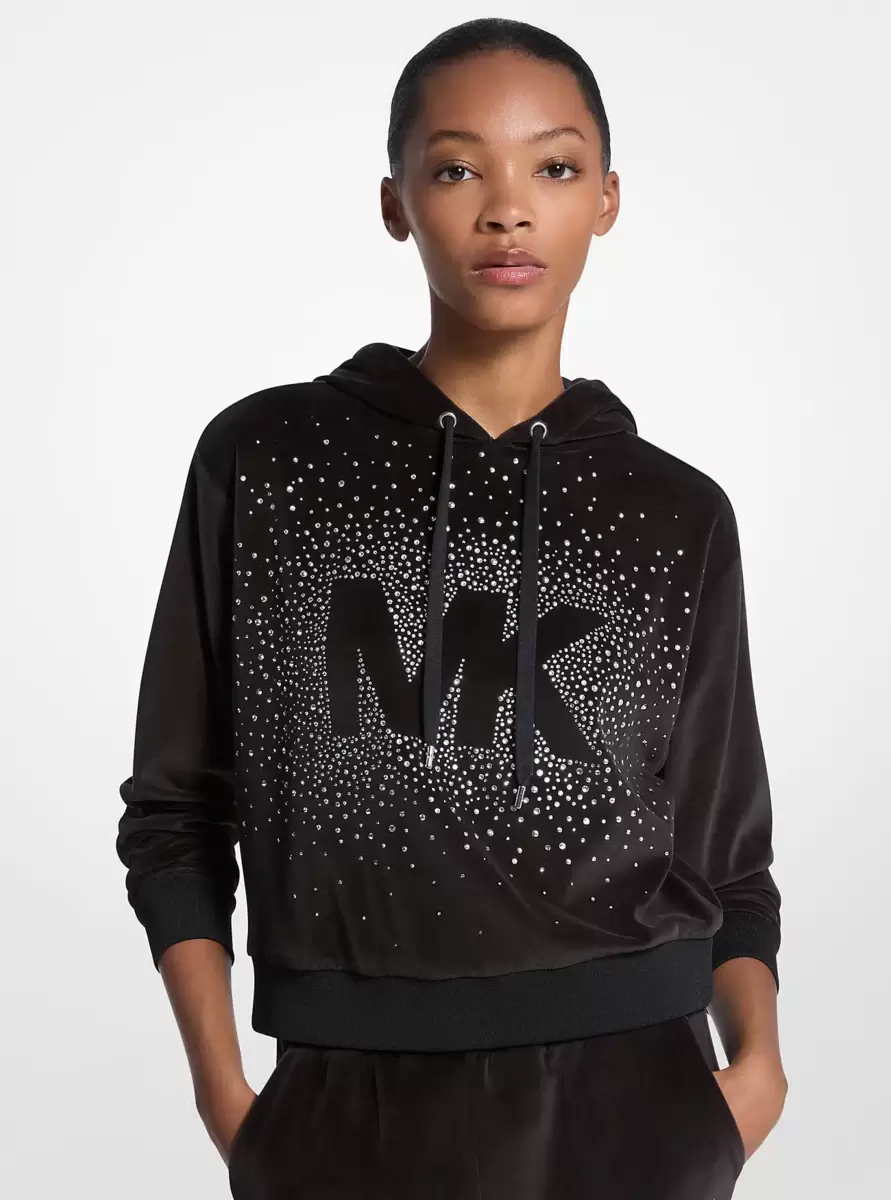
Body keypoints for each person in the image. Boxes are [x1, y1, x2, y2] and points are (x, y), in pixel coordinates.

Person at [116, 16, 788, 1199]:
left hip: (637, 1100)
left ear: (608, 199)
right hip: (345, 1106)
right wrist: (228, 1098)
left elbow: (727, 857)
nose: (509, 211)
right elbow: (177, 808)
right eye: (459, 168)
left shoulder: (674, 510)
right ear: (397, 203)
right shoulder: (268, 460)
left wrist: (755, 1078)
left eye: (555, 167)